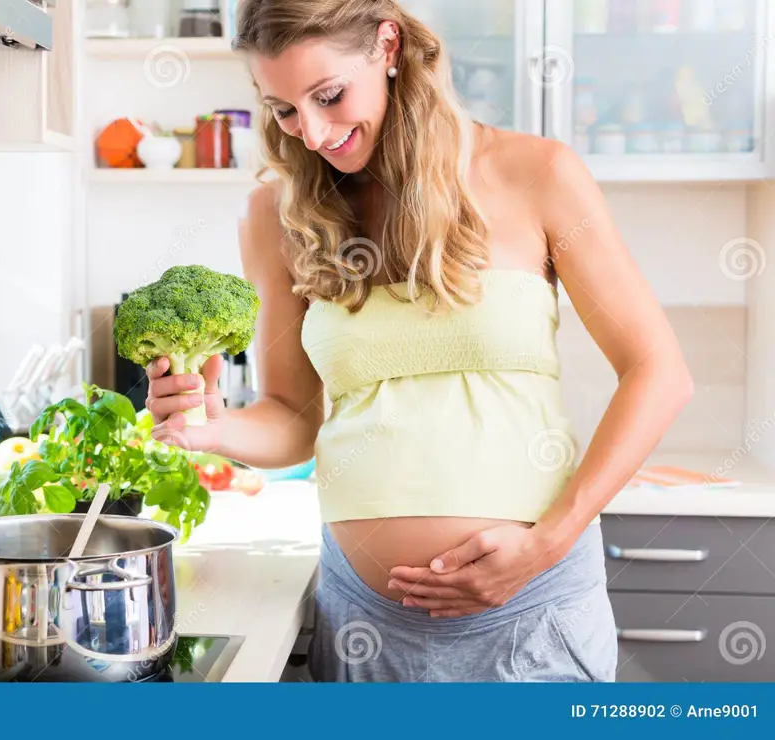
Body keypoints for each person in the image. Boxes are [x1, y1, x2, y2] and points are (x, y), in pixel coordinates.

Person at [144, 0, 694, 682]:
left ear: (388, 46)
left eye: (329, 96)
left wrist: (547, 544)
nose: (311, 133)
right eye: (283, 109)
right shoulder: (277, 213)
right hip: (367, 629)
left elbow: (658, 371)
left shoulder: (537, 173)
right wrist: (212, 429)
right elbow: (291, 415)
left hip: (531, 618)